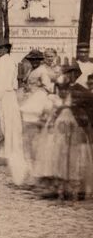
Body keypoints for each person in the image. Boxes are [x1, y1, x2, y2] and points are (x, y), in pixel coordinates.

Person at [32, 64, 93, 200]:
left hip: (74, 125)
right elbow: (58, 103)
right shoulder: (64, 87)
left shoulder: (80, 90)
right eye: (67, 73)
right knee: (60, 153)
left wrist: (81, 117)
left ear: (76, 75)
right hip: (61, 124)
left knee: (72, 155)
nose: (69, 76)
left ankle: (73, 187)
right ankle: (60, 186)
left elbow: (87, 105)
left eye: (71, 74)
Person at [0, 37, 28, 185]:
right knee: (6, 124)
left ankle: (9, 153)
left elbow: (2, 83)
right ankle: (5, 151)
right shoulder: (4, 61)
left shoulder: (6, 62)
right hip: (3, 94)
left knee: (8, 124)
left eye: (2, 48)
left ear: (7, 49)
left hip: (5, 95)